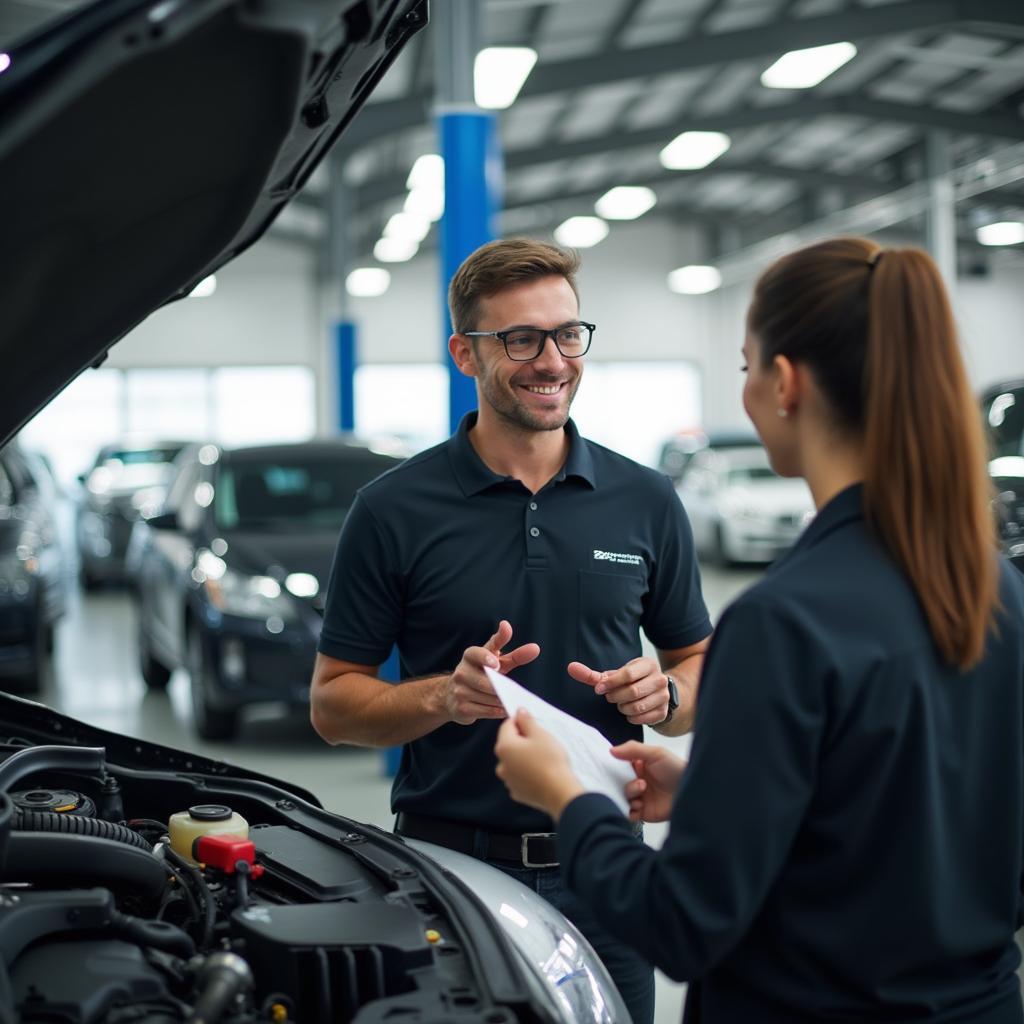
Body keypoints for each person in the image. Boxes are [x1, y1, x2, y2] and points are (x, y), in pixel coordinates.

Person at [494, 237, 1024, 1023]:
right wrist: (716, 798)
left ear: (784, 383)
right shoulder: (1000, 591)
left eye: (745, 367)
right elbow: (922, 826)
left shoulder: (786, 621)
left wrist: (570, 798)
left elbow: (681, 924)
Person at [310, 237, 713, 1024]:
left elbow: (698, 669)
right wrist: (444, 699)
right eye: (521, 339)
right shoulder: (393, 510)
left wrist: (666, 694)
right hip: (448, 869)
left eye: (568, 334)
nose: (552, 360)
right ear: (466, 353)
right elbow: (333, 705)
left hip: (603, 862)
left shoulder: (646, 499)